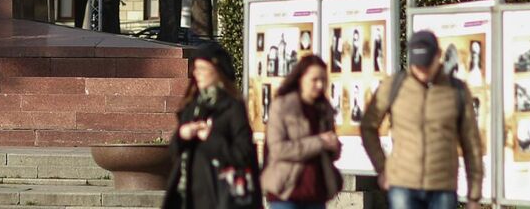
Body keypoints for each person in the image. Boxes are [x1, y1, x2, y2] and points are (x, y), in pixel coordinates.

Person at [360, 29, 485, 209]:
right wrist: (382, 167)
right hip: (403, 184)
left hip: (442, 187)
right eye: (417, 65)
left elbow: (471, 143)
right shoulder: (394, 85)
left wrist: (474, 196)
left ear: (438, 56)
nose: (422, 71)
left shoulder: (456, 90)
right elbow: (368, 126)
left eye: (426, 64)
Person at [164, 43, 260, 209]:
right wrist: (182, 135)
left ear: (218, 71)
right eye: (196, 69)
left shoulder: (232, 107)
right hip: (188, 195)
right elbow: (174, 151)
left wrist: (211, 138)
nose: (197, 74)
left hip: (220, 196)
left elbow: (244, 154)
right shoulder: (193, 105)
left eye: (202, 69)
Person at [264, 54, 344, 209]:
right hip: (286, 191)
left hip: (316, 191)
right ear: (301, 79)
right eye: (314, 80)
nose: (320, 85)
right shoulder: (282, 106)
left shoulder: (324, 108)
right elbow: (277, 149)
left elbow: (329, 152)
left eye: (323, 80)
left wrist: (334, 147)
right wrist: (319, 142)